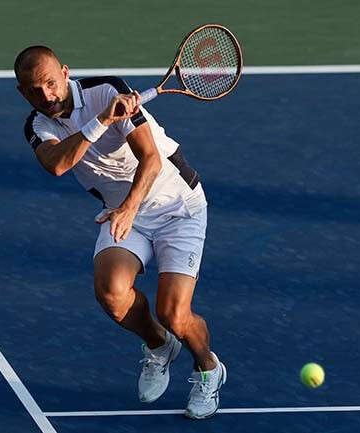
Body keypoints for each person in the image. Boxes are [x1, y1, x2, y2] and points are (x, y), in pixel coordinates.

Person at [15, 45, 226, 419]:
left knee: (174, 313)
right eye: (34, 90)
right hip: (124, 213)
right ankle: (159, 345)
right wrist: (99, 123)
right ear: (22, 92)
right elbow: (57, 165)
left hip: (178, 208)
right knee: (112, 294)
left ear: (65, 72)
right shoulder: (39, 125)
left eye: (50, 82)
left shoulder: (107, 89)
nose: (45, 95)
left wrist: (129, 207)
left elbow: (152, 159)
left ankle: (208, 368)